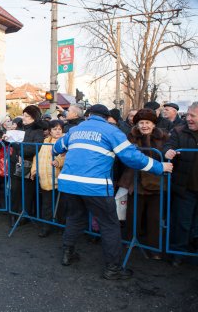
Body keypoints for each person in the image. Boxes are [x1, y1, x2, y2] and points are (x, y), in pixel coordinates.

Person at [53, 104, 173, 280]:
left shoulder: (75, 130)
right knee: (110, 225)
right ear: (106, 117)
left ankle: (67, 255)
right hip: (95, 185)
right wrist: (159, 166)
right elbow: (131, 156)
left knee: (74, 218)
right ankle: (113, 269)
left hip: (69, 184)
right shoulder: (111, 131)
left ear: (88, 115)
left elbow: (56, 148)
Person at [117, 109, 169, 260]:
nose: (144, 125)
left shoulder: (164, 137)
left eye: (147, 123)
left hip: (157, 183)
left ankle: (154, 248)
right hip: (136, 181)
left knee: (154, 218)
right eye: (141, 123)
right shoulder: (131, 137)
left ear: (153, 124)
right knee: (133, 214)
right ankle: (130, 241)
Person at [163, 101, 198, 265]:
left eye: (193, 116)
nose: (188, 118)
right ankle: (178, 253)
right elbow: (167, 147)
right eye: (188, 115)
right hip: (185, 187)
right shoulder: (178, 131)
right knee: (182, 222)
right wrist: (167, 151)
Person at [8, 105, 46, 226]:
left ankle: (24, 215)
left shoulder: (38, 131)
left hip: (28, 165)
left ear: (34, 118)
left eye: (27, 116)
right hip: (15, 163)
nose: (23, 118)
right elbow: (13, 142)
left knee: (27, 192)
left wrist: (18, 146)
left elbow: (34, 148)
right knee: (14, 190)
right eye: (23, 115)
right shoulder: (19, 128)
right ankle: (13, 214)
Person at [31, 120, 65, 237]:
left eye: (59, 129)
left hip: (60, 179)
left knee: (62, 205)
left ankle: (62, 226)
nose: (57, 131)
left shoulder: (65, 142)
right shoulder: (44, 142)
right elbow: (37, 157)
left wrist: (59, 161)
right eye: (55, 129)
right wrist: (34, 170)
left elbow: (67, 156)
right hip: (45, 179)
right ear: (50, 131)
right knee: (47, 205)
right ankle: (46, 227)